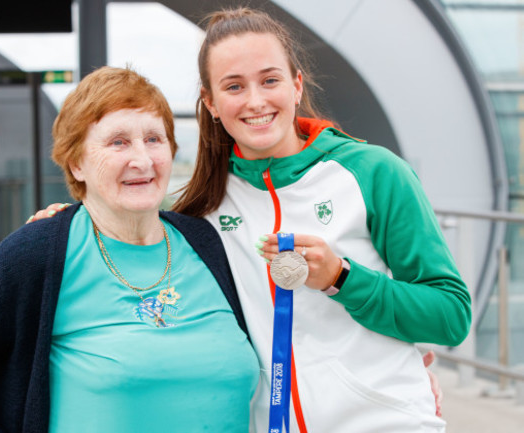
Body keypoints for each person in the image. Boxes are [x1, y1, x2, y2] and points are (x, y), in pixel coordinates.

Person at [32, 8, 466, 432]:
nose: (256, 101)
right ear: (211, 103)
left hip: (385, 420)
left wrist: (344, 277)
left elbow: (450, 316)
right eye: (234, 86)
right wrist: (70, 222)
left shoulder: (374, 172)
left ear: (296, 85)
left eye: (270, 80)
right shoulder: (200, 212)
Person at [0, 66, 259, 433]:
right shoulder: (41, 251)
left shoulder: (206, 243)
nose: (142, 160)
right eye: (118, 142)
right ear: (76, 163)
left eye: (154, 139)